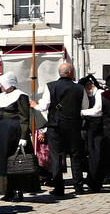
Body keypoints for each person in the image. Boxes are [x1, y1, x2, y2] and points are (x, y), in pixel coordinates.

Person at [31, 63, 86, 197]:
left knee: (56, 156)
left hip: (55, 125)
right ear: (71, 73)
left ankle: (59, 187)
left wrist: (35, 105)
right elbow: (85, 107)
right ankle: (78, 186)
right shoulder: (79, 88)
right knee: (75, 156)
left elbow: (44, 106)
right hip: (74, 125)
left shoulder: (51, 86)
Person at [0, 72, 39, 203]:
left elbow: (24, 117)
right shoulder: (1, 96)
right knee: (4, 160)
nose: (0, 86)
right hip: (2, 131)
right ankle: (8, 190)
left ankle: (18, 190)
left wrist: (24, 136)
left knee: (16, 161)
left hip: (15, 131)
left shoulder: (20, 96)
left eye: (2, 83)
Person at [80, 74, 108, 190]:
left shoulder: (100, 93)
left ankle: (96, 180)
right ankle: (92, 177)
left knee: (97, 153)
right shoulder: (91, 94)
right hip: (91, 126)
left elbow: (98, 111)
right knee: (91, 153)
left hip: (98, 126)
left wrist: (83, 112)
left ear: (89, 86)